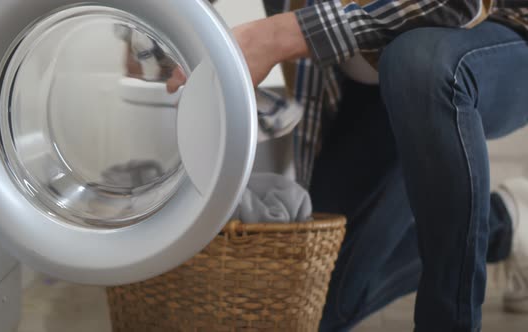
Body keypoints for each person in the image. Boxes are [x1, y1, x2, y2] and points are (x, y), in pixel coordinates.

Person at [218, 1, 528, 332]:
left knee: (418, 61)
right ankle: (505, 223)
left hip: (496, 37)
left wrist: (276, 35)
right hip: (370, 83)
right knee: (315, 306)